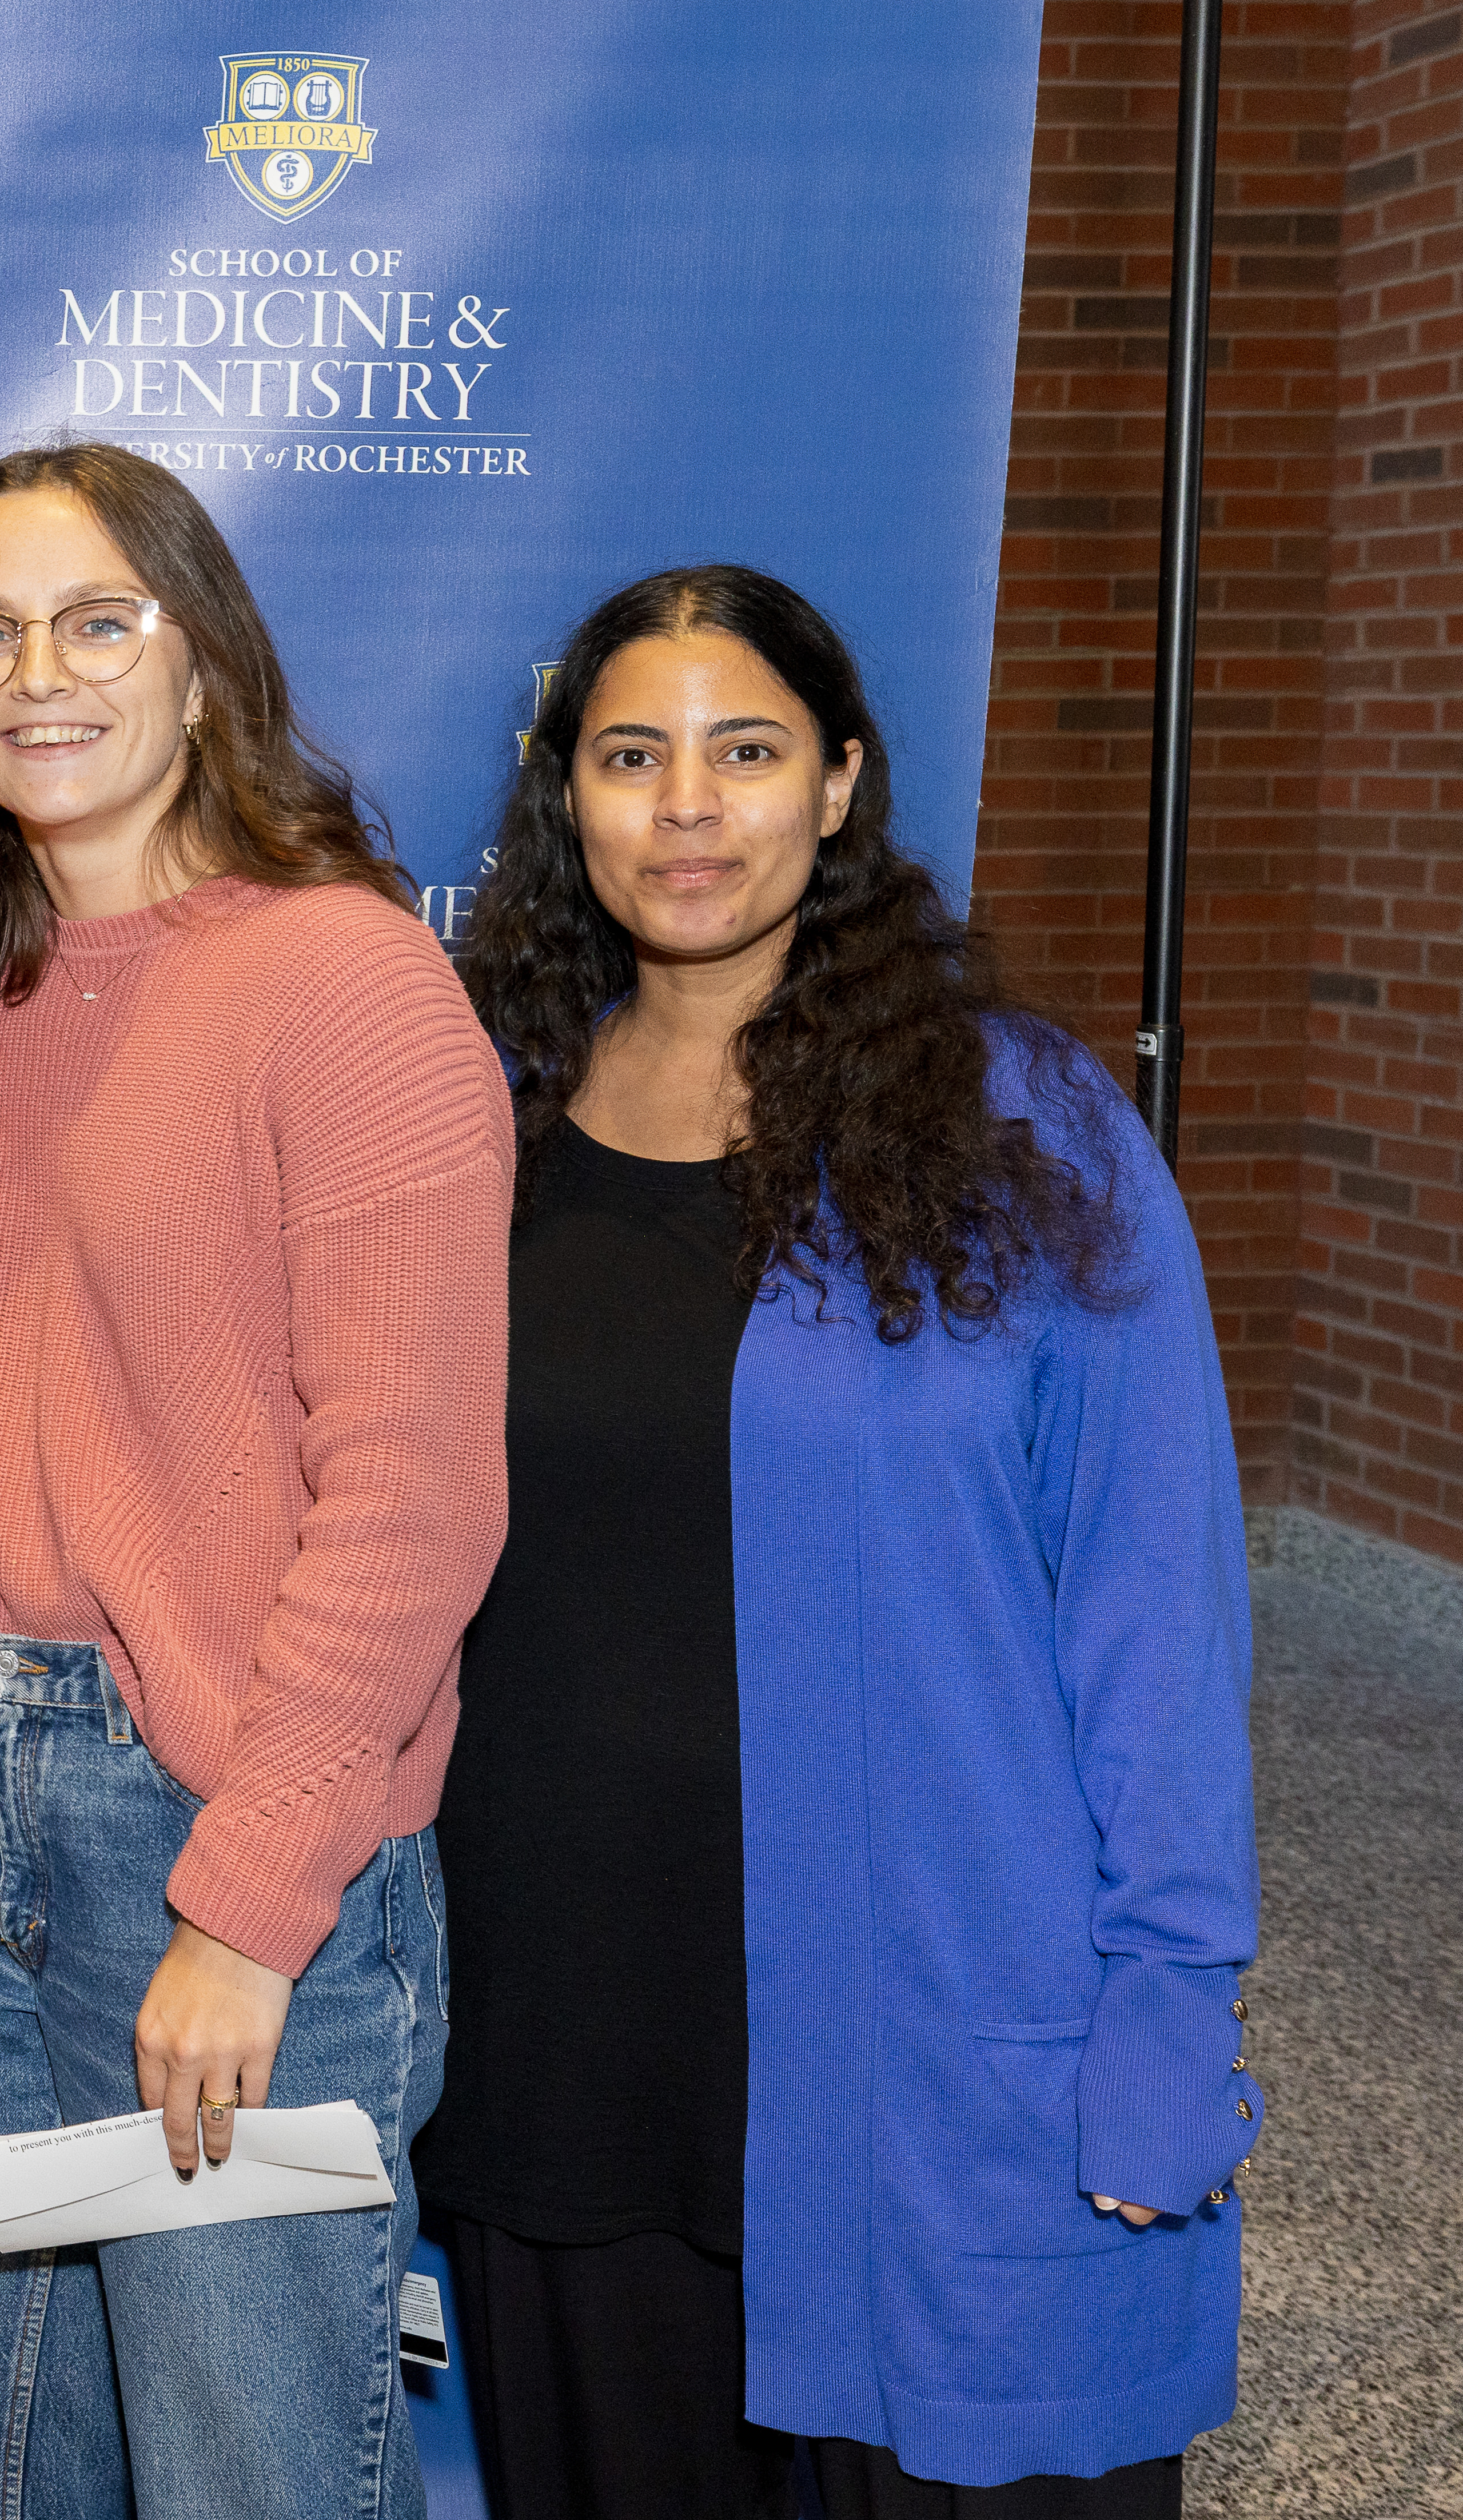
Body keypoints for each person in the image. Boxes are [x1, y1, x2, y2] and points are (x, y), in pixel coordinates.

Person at [426, 564, 1260, 2518]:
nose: (689, 807)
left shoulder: (1023, 1129)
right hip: (563, 2019)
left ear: (840, 784)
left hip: (928, 2031)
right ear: (569, 796)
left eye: (747, 752)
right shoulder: (479, 1118)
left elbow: (1155, 1597)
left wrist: (1168, 1998)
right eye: (632, 758)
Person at [0, 443, 509, 2518]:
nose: (36, 673)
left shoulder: (348, 978)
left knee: (251, 2474)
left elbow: (414, 1494)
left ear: (203, 659)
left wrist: (246, 1908)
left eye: (94, 619)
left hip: (226, 1823)